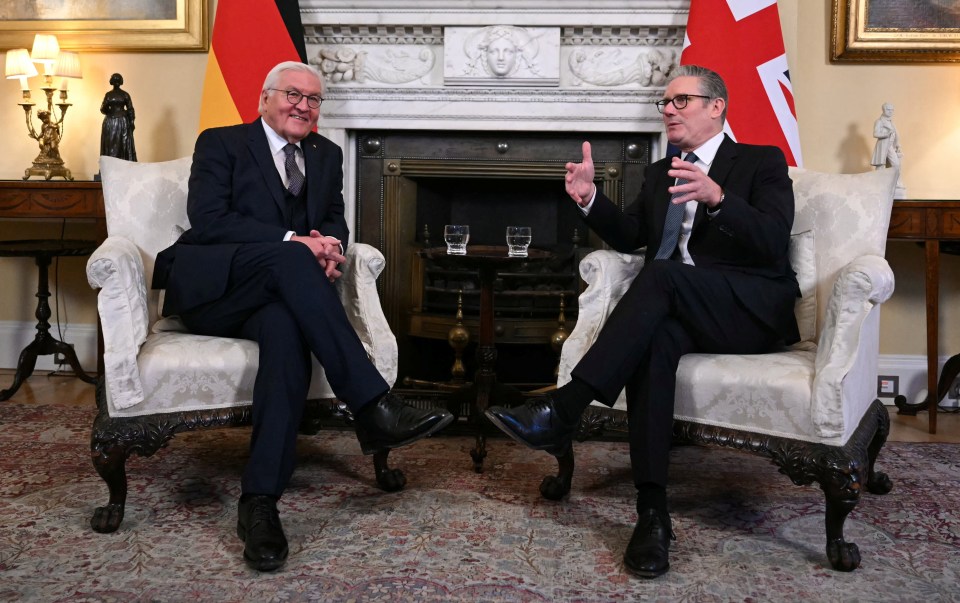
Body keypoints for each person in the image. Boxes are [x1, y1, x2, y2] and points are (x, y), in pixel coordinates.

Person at [485, 65, 800, 579]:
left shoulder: (762, 162)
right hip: (679, 308)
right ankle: (652, 512)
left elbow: (772, 240)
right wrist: (589, 199)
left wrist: (717, 198)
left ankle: (565, 407)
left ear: (716, 106)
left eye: (680, 101)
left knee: (658, 277)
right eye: (665, 103)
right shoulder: (661, 170)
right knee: (655, 342)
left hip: (748, 310)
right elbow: (632, 233)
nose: (669, 111)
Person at [152, 61, 454, 572]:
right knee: (293, 256)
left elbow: (333, 218)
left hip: (279, 299)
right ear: (264, 99)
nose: (304, 106)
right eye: (293, 94)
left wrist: (331, 247)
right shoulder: (222, 143)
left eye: (314, 100)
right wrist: (296, 244)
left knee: (287, 331)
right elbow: (209, 221)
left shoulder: (325, 154)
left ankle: (260, 502)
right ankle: (372, 404)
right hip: (217, 290)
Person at [100, 73, 137, 161]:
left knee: (111, 143)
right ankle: (121, 163)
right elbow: (130, 109)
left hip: (111, 121)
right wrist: (131, 122)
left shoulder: (109, 95)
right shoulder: (125, 94)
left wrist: (110, 112)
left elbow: (103, 109)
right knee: (122, 144)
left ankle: (111, 164)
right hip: (122, 121)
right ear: (121, 82)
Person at [871, 102, 905, 196]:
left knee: (896, 164)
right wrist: (886, 134)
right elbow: (875, 133)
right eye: (888, 109)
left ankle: (896, 183)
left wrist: (898, 145)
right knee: (880, 166)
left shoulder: (891, 122)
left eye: (892, 110)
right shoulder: (879, 121)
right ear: (884, 110)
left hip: (890, 146)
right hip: (882, 145)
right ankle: (878, 184)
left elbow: (896, 135)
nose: (891, 112)